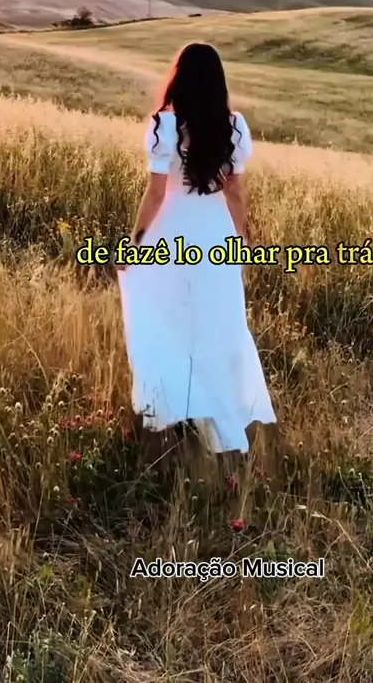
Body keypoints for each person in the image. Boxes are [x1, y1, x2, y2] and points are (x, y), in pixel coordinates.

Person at [117, 42, 276, 453]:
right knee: (217, 325)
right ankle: (218, 418)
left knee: (166, 319)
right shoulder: (233, 127)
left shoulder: (164, 126)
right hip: (215, 235)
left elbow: (156, 193)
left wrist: (133, 243)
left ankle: (171, 407)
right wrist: (242, 240)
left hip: (170, 235)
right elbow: (235, 192)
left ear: (180, 78)